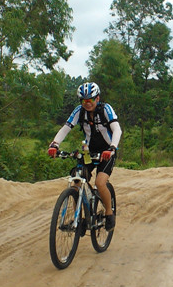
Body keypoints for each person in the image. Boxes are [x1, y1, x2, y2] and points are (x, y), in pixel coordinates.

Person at [47, 82, 121, 231]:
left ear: (97, 98)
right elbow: (66, 128)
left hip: (107, 153)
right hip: (89, 152)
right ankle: (78, 219)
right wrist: (55, 144)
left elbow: (117, 129)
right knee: (77, 180)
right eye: (84, 100)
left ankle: (109, 213)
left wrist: (112, 147)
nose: (87, 103)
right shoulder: (79, 111)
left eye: (90, 100)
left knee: (100, 183)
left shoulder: (105, 109)